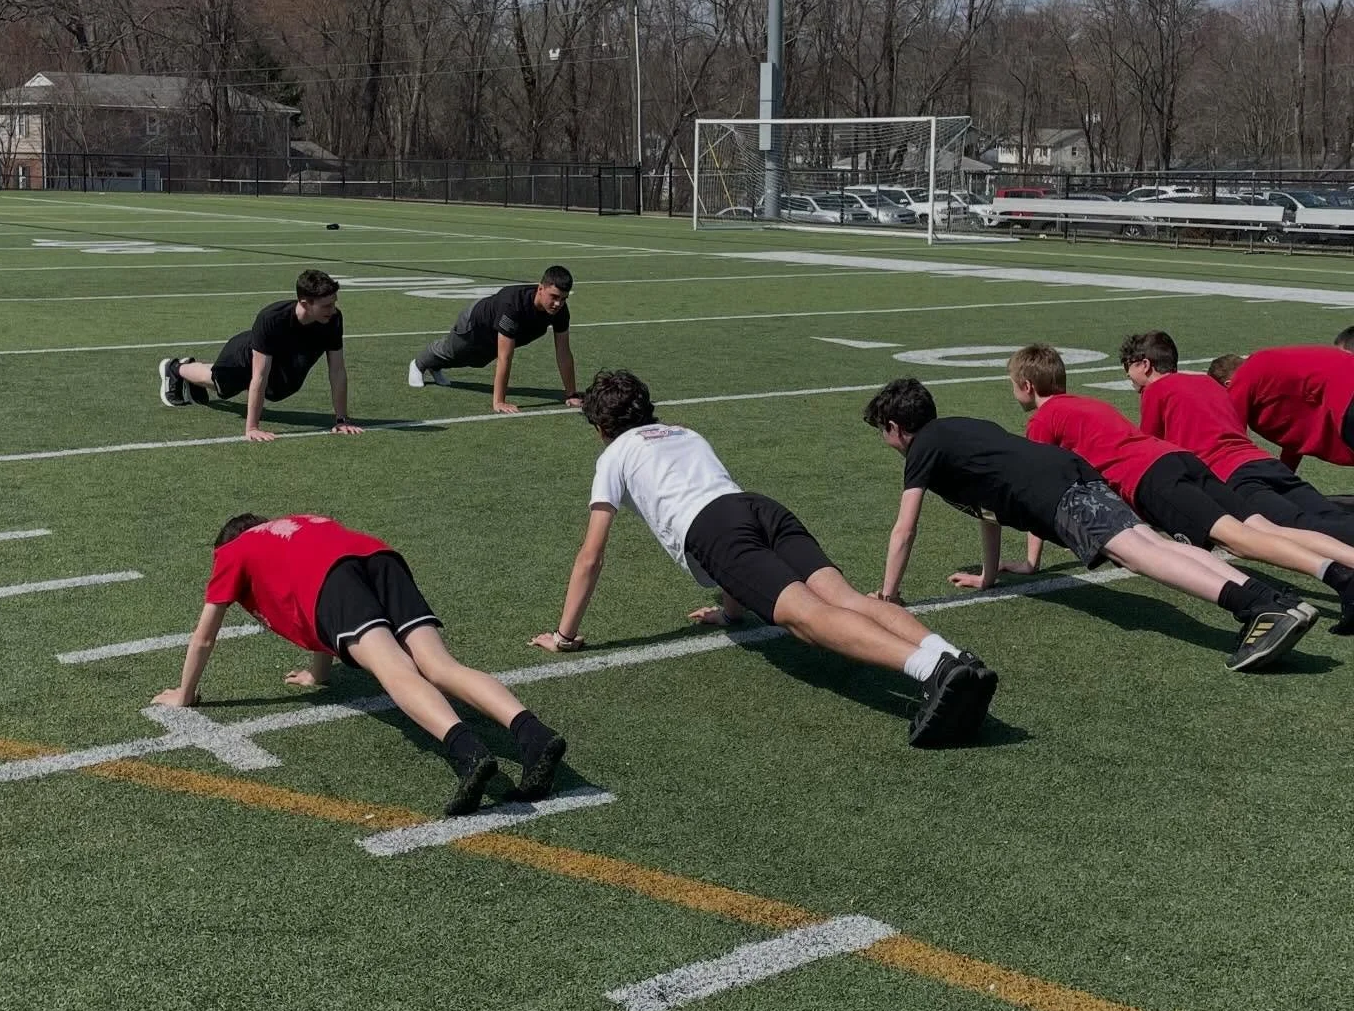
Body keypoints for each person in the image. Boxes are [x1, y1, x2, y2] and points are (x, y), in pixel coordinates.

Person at [531, 368, 998, 748]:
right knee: (848, 598)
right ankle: (956, 658)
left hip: (715, 530)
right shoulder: (684, 433)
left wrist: (564, 635)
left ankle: (932, 670)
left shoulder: (615, 454)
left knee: (807, 618)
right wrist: (731, 612)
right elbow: (726, 517)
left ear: (601, 428)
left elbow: (592, 554)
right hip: (759, 507)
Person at [865, 376, 1317, 673]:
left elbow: (905, 528)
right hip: (1073, 472)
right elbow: (989, 513)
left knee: (1138, 555)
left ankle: (1257, 607)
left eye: (882, 433)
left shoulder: (923, 447)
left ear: (894, 426)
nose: (886, 442)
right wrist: (987, 577)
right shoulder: (961, 430)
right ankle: (1271, 599)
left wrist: (888, 596)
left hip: (1056, 493)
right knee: (1151, 544)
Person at [156, 512, 568, 816]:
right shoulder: (298, 525)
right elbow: (308, 583)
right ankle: (533, 734)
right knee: (440, 665)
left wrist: (185, 694)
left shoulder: (232, 550)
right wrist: (318, 673)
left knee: (394, 669)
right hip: (380, 557)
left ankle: (468, 752)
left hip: (334, 582)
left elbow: (205, 635)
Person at [1011, 344, 1354, 631]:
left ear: (1026, 385)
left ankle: (1340, 579)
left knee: (1240, 541)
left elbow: (1042, 491)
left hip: (1157, 475)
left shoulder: (1044, 420)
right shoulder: (1089, 402)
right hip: (1186, 460)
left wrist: (1031, 560)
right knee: (1268, 529)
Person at [1121, 330, 1354, 560]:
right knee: (1329, 514)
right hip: (1264, 462)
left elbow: (1151, 453)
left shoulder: (1154, 390)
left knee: (1296, 527)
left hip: (1229, 474)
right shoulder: (1207, 382)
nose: (1128, 375)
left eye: (1128, 367)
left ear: (1145, 365)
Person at [159, 269, 362, 443]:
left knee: (279, 389)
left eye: (334, 303)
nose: (333, 310)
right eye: (326, 306)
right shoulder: (272, 318)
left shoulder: (333, 319)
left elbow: (337, 371)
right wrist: (252, 427)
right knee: (219, 383)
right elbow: (259, 375)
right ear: (305, 303)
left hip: (277, 357)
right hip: (243, 355)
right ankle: (176, 368)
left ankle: (187, 370)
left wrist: (341, 420)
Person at [408, 267, 581, 415]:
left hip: (496, 333)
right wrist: (499, 402)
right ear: (540, 288)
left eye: (563, 298)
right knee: (452, 351)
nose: (558, 303)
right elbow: (505, 357)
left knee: (476, 361)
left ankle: (435, 366)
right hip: (474, 324)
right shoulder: (513, 304)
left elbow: (563, 352)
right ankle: (419, 363)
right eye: (554, 296)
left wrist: (571, 394)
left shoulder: (560, 311)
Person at [1210, 342, 1354, 474]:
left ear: (1228, 384)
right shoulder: (1268, 370)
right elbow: (1295, 435)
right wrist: (1285, 475)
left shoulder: (1244, 377)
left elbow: (1230, 434)